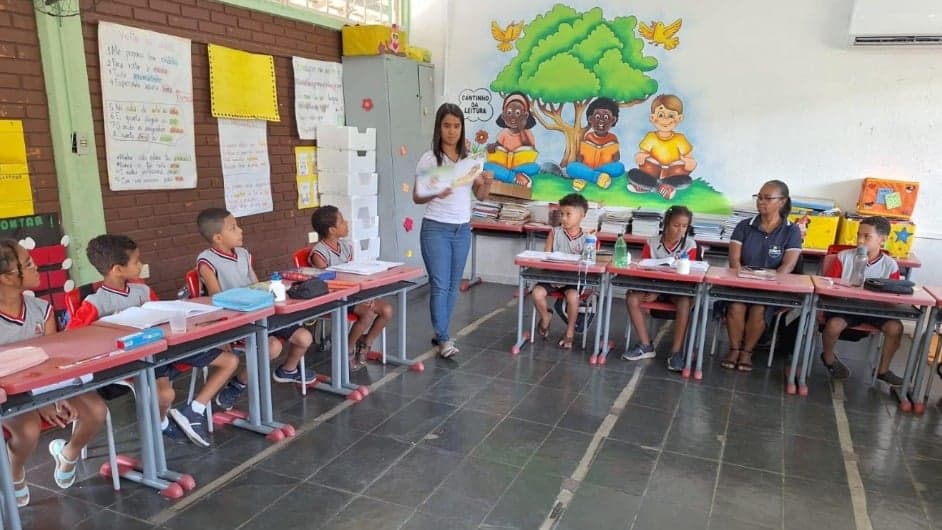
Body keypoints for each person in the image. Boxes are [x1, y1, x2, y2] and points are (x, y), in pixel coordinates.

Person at [68, 235, 239, 447]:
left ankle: (194, 410)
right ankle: (161, 423)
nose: (141, 265)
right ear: (117, 269)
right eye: (136, 262)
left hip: (164, 351)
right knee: (165, 394)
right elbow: (73, 339)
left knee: (229, 361)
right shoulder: (94, 302)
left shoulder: (144, 291)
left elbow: (161, 315)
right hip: (134, 362)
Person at [0, 240, 107, 504]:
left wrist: (54, 397)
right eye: (27, 265)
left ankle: (68, 454)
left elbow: (51, 362)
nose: (36, 266)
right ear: (5, 278)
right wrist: (39, 402)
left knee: (96, 411)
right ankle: (13, 470)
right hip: (8, 393)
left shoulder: (41, 309)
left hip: (44, 384)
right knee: (28, 429)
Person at [195, 208, 315, 400]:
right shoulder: (206, 261)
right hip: (236, 320)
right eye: (233, 228)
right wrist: (223, 337)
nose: (240, 230)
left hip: (259, 313)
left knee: (304, 337)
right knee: (273, 347)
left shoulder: (243, 254)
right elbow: (216, 300)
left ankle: (288, 371)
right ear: (218, 237)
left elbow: (257, 286)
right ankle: (239, 383)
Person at [414, 103, 494, 358]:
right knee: (439, 284)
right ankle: (445, 338)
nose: (451, 131)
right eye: (447, 126)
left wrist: (488, 183)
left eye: (456, 126)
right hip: (436, 228)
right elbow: (417, 196)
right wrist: (436, 190)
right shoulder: (431, 158)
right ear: (439, 127)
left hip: (462, 228)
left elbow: (479, 195)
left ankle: (442, 332)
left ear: (462, 128)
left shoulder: (468, 158)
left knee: (452, 285)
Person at [722, 180, 802, 372]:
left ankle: (747, 352)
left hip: (771, 287)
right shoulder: (744, 226)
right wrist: (743, 279)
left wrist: (769, 283)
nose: (761, 202)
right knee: (736, 306)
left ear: (782, 202)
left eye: (768, 198)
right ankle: (734, 349)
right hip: (741, 282)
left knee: (759, 309)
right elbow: (734, 261)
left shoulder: (791, 230)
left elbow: (788, 265)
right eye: (759, 197)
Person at [819, 216, 904, 385]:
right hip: (845, 306)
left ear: (882, 240)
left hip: (875, 309)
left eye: (867, 236)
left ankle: (883, 370)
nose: (860, 240)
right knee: (834, 325)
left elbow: (894, 297)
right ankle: (828, 359)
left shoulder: (890, 265)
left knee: (896, 327)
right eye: (859, 235)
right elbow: (828, 286)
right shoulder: (844, 257)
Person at [308, 205, 392, 371]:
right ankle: (348, 348)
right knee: (367, 312)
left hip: (353, 294)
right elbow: (326, 284)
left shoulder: (346, 246)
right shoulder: (319, 254)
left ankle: (366, 342)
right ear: (332, 230)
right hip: (335, 298)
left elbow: (354, 273)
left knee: (387, 310)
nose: (346, 223)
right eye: (342, 221)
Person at [622, 205, 698, 371]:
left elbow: (687, 277)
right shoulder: (652, 242)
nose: (680, 230)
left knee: (685, 303)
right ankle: (645, 344)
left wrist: (658, 291)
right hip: (652, 284)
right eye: (676, 225)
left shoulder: (690, 245)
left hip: (676, 289)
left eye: (684, 227)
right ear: (666, 224)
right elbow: (644, 268)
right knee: (632, 298)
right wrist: (654, 289)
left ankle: (676, 352)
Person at [532, 193, 589, 351]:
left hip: (572, 279)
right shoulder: (554, 233)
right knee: (537, 293)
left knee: (573, 297)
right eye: (562, 214)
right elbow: (546, 255)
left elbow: (588, 263)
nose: (563, 218)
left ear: (582, 215)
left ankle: (570, 331)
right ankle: (545, 317)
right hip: (552, 276)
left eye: (568, 214)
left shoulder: (587, 239)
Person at [626, 94, 697, 200]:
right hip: (652, 173)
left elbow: (690, 159)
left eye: (671, 116)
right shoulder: (651, 137)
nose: (665, 120)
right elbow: (642, 154)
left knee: (687, 180)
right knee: (633, 173)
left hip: (671, 175)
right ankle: (661, 187)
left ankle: (648, 187)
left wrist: (688, 163)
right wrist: (641, 156)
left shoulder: (680, 139)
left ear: (679, 118)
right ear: (653, 118)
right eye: (661, 115)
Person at [566, 97, 624, 191]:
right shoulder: (587, 137)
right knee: (571, 167)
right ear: (590, 119)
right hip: (587, 166)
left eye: (606, 117)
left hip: (604, 168)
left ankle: (585, 176)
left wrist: (613, 153)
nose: (601, 121)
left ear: (613, 120)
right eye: (597, 117)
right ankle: (596, 177)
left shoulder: (613, 138)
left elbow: (616, 159)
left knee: (620, 167)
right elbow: (580, 157)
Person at [484, 91, 539, 187]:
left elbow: (532, 152)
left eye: (517, 113)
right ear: (503, 116)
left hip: (520, 166)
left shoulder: (528, 134)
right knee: (486, 166)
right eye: (509, 113)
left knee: (535, 167)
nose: (513, 117)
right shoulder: (503, 133)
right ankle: (513, 177)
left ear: (525, 115)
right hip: (503, 165)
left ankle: (507, 175)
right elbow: (498, 145)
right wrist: (492, 147)